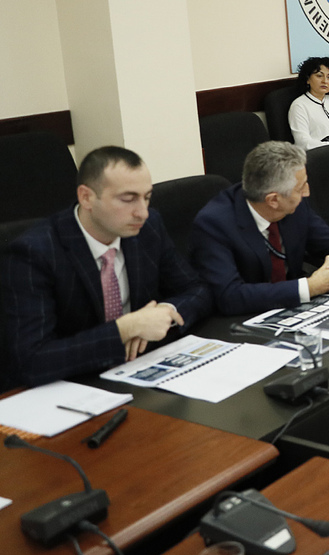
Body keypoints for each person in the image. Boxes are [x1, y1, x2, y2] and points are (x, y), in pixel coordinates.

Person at [1, 147, 211, 387]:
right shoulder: (34, 253)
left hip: (139, 369)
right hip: (74, 384)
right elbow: (31, 361)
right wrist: (126, 328)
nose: (142, 212)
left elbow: (198, 289)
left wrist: (166, 312)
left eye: (147, 197)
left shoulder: (148, 228)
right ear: (86, 197)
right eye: (128, 199)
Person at [191, 142, 329, 316]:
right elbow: (230, 296)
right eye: (300, 188)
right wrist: (311, 286)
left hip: (296, 311)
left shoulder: (294, 205)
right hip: (244, 319)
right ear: (273, 200)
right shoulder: (213, 224)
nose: (307, 192)